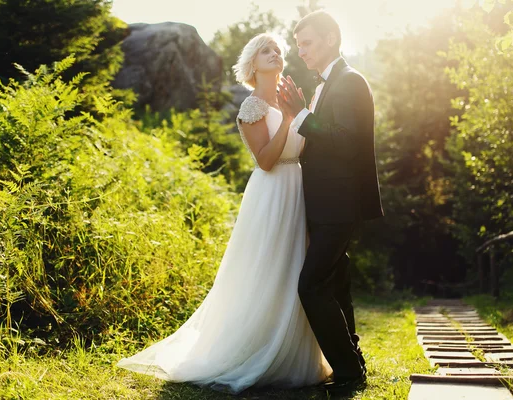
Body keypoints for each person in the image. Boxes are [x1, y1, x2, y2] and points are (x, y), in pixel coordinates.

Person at [116, 33, 331, 394]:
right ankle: (254, 350)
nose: (275, 53)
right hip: (272, 192)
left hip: (299, 191)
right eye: (266, 50)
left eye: (278, 49)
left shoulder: (289, 98)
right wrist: (294, 116)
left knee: (296, 270)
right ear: (252, 64)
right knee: (267, 269)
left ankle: (295, 353)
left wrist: (300, 113)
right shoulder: (251, 107)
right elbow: (265, 160)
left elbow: (304, 147)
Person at [278, 10, 383, 391]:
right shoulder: (328, 83)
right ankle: (353, 362)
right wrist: (305, 112)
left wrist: (300, 114)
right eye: (298, 45)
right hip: (324, 202)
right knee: (336, 283)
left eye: (306, 43)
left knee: (311, 285)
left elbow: (344, 141)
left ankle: (350, 374)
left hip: (340, 203)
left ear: (331, 40)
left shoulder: (350, 81)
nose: (300, 51)